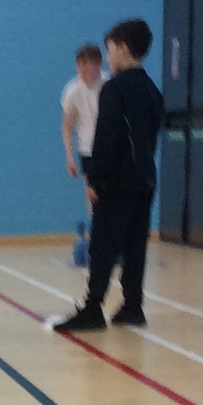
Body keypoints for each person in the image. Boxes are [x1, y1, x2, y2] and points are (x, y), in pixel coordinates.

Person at [55, 18, 163, 333]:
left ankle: (92, 308)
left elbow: (107, 138)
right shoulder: (152, 90)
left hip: (116, 180)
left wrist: (95, 179)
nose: (108, 56)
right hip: (145, 177)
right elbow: (150, 137)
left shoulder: (114, 88)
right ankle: (132, 305)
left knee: (102, 243)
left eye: (110, 49)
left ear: (123, 48)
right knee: (135, 244)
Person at [61, 43, 104, 195]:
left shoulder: (110, 85)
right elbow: (67, 126)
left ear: (99, 65)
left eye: (87, 69)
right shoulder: (72, 91)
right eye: (80, 69)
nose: (83, 74)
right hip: (87, 150)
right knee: (92, 197)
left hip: (111, 149)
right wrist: (70, 156)